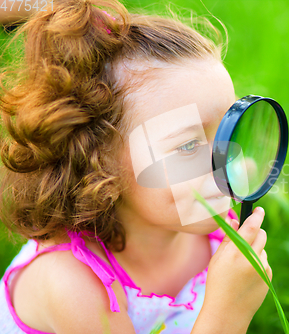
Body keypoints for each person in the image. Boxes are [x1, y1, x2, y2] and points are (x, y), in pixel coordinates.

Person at [0, 0, 272, 333]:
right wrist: (228, 313)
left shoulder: (205, 224)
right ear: (101, 168)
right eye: (187, 145)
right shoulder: (73, 284)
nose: (225, 160)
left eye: (228, 129)